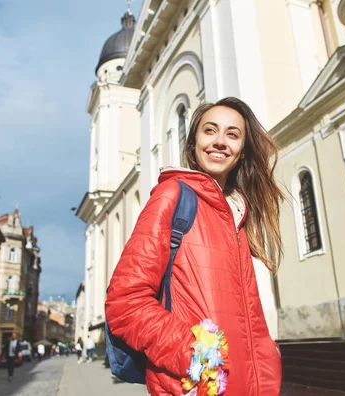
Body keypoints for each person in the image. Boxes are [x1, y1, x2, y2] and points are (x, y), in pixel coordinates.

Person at [106, 97, 284, 395]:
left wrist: (268, 369)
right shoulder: (172, 197)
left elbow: (250, 322)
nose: (220, 142)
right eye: (210, 130)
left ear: (242, 153)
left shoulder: (237, 216)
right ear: (192, 145)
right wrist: (196, 352)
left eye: (232, 134)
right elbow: (125, 302)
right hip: (195, 385)